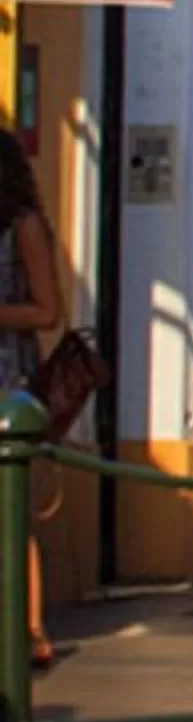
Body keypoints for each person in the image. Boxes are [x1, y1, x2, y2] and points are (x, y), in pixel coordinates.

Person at [0, 136, 64, 671]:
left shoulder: (23, 226)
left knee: (12, 504)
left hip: (8, 378)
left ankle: (32, 626)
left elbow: (48, 311)